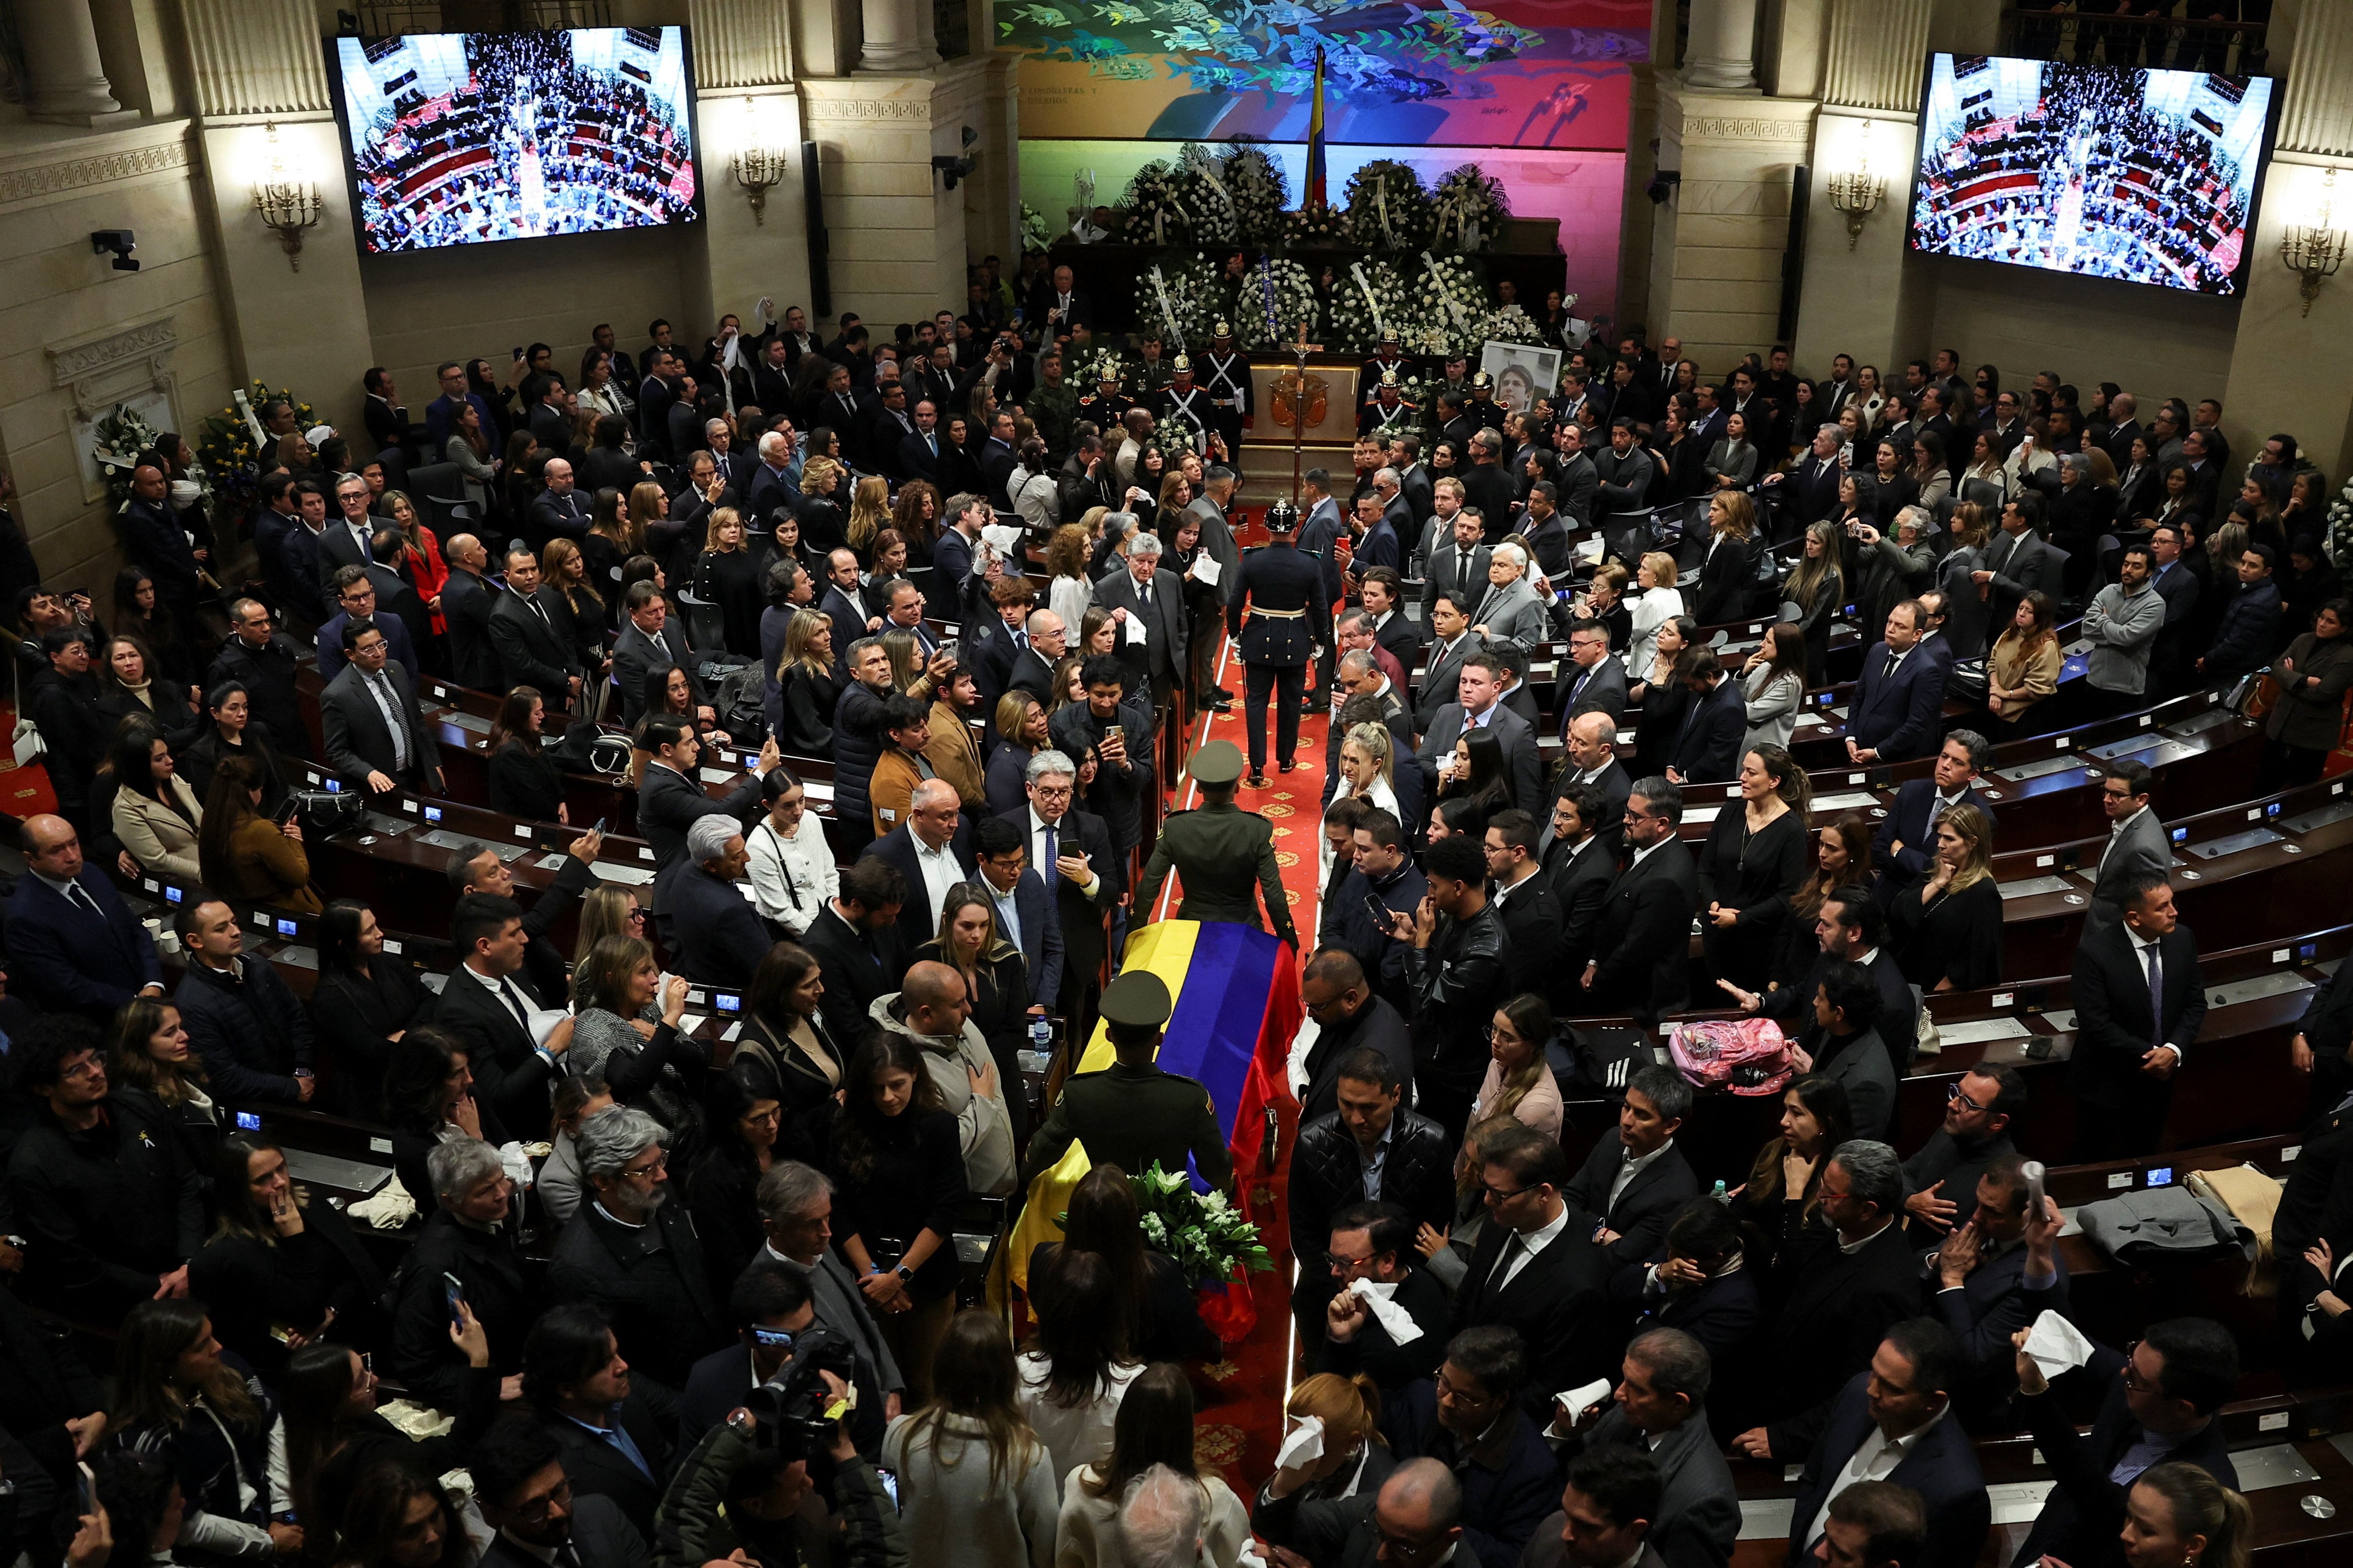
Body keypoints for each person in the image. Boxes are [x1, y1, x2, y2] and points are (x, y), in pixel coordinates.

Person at [7, 1017, 204, 1322]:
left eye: (96, 1059)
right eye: (76, 1070)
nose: (97, 1072)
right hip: (123, 1306)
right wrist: (161, 1285)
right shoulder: (34, 1164)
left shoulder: (136, 1106)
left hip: (186, 1268)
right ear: (44, 1087)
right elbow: (75, 1263)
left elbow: (187, 1181)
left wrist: (189, 1262)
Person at [1735, 1141, 1922, 1460]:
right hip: (1771, 1388)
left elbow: (1864, 1391)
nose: (1820, 1196)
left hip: (1798, 1422)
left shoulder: (1884, 1290)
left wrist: (1785, 1438)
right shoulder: (1841, 1228)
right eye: (1823, 1183)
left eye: (1831, 1194)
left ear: (1867, 1209)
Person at [2009, 1319, 2241, 1568]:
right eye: (2131, 1358)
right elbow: (2081, 1348)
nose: (2124, 1374)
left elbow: (2093, 1492)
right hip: (2045, 1542)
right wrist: (2042, 1334)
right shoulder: (2142, 1385)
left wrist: (2035, 1390)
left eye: (2135, 1378)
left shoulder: (2201, 1489)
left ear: (2181, 1408)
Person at [829, 1030, 972, 1407]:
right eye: (877, 1089)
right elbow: (838, 1208)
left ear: (914, 1074)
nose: (888, 1098)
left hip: (926, 1275)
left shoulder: (938, 1125)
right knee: (879, 1385)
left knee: (927, 1386)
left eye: (897, 1085)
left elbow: (946, 1207)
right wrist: (874, 1276)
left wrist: (899, 1276)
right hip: (868, 1279)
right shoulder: (848, 1124)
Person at [1780, 1319, 1990, 1568]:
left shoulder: (1958, 1491)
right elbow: (1814, 1479)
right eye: (1874, 1372)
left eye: (1890, 1387)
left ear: (1933, 1401)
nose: (1871, 1389)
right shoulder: (1857, 1394)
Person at [546, 1105, 725, 1391]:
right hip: (672, 1399)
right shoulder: (577, 1268)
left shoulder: (657, 1195)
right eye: (645, 1170)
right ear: (603, 1180)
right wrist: (680, 1412)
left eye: (660, 1161)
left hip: (713, 1367)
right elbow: (607, 1368)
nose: (661, 1176)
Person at [1448, 1124, 1610, 1423]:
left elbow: (1547, 1386)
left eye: (1499, 1194)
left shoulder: (1579, 1285)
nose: (1487, 1201)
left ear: (1543, 1194)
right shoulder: (1503, 1216)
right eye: (1487, 1187)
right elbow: (1467, 1300)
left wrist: (1482, 1420)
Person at [189, 1133, 387, 1377]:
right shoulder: (228, 1257)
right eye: (264, 1179)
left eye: (281, 1168)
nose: (281, 1182)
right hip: (281, 1373)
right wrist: (296, 1240)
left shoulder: (315, 1208)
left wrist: (331, 1311)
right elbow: (305, 1308)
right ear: (239, 1190)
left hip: (349, 1344)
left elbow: (358, 1273)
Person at [1543, 1329, 1738, 1568]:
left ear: (1678, 1402)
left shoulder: (1704, 1502)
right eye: (1625, 1379)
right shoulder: (1633, 1416)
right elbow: (1582, 1477)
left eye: (1637, 1388)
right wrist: (1567, 1434)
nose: (1618, 1394)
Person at [109, 1299, 287, 1561]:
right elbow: (188, 1526)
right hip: (226, 1551)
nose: (219, 1347)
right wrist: (269, 1544)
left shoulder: (227, 1368)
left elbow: (273, 1418)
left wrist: (284, 1508)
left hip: (273, 1507)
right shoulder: (145, 1443)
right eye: (202, 1346)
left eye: (211, 1336)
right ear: (165, 1366)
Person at [881, 1309, 1059, 1568]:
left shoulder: (899, 1434)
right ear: (1006, 1377)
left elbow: (889, 1521)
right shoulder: (1028, 1456)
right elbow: (1048, 1551)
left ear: (941, 1367)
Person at [1025, 968, 1232, 1186]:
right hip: (1166, 1216)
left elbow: (1037, 1156)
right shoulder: (1191, 1098)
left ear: (1109, 1036)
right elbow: (1218, 1174)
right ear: (1160, 1039)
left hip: (1103, 1212)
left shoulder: (1080, 1094)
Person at [1381, 1325, 1561, 1568]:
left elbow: (1516, 1556)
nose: (1445, 1401)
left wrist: (1434, 1528)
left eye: (1464, 1397)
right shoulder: (1419, 1401)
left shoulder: (1534, 1470)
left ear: (1499, 1401)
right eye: (1443, 1382)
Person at [1058, 1362, 1250, 1567]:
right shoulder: (1217, 1500)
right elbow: (1242, 1561)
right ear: (1187, 1431)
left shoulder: (1081, 1486)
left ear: (1123, 1422)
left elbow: (1065, 1560)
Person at [2069, 870, 2204, 1159]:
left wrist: (2173, 1050)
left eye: (2172, 902)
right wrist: (2151, 1054)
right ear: (2134, 918)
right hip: (2107, 1084)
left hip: (2159, 1083)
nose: (2174, 913)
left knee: (2145, 1156)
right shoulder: (2095, 953)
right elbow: (2096, 1024)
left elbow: (2195, 1004)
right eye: (2162, 908)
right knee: (2097, 1161)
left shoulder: (2183, 940)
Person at [1927, 1155, 2070, 1424]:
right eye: (1979, 1203)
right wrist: (1938, 1261)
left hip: (1967, 1403)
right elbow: (1931, 1254)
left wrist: (1952, 1278)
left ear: (2029, 1217)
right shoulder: (1990, 1215)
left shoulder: (2035, 1282)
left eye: (1992, 1212)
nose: (1977, 1217)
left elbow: (1974, 1360)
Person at [518, 1305, 677, 1541]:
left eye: (617, 1354)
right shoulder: (559, 1464)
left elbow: (667, 1466)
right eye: (605, 1364)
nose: (623, 1366)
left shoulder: (626, 1403)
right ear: (566, 1388)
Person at [1394, 834, 1513, 1137]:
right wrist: (1416, 939)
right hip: (1434, 1053)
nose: (1429, 893)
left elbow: (1427, 1005)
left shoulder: (1486, 950)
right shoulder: (1457, 916)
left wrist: (1420, 944)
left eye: (1434, 885)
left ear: (1458, 887)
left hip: (1453, 1072)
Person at [1133, 739, 1296, 942]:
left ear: (1199, 788)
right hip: (1243, 931)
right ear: (1237, 787)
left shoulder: (1176, 828)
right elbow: (1274, 896)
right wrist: (1289, 941)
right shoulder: (1258, 830)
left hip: (1190, 932)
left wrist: (1133, 934)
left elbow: (1148, 888)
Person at [172, 896, 315, 1105]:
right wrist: (291, 1088)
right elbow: (226, 1076)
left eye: (234, 922)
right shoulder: (192, 1003)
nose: (236, 932)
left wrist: (302, 1071)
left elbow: (296, 1017)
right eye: (221, 929)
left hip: (299, 1082)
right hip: (260, 1106)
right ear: (195, 941)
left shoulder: (257, 965)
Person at [1018, 1248, 1145, 1482]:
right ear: (1113, 1318)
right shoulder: (1136, 1385)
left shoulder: (1022, 1373)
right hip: (1101, 1514)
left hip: (1034, 1510)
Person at [1583, 778, 1702, 1024]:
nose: (1626, 820)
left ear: (1662, 824)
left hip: (1640, 1002)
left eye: (1635, 816)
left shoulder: (1666, 878)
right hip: (1619, 981)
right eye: (1628, 811)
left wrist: (1598, 978)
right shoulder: (1647, 848)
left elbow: (1637, 951)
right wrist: (1594, 960)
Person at [1561, 1064, 1700, 1267]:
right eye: (1627, 1107)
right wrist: (1600, 1233)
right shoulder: (1612, 1140)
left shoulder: (1677, 1191)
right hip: (1581, 1253)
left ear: (1670, 1125)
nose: (1626, 1121)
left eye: (1642, 1115)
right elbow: (1570, 1198)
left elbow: (1623, 1257)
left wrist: (1584, 1227)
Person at [468, 1418, 656, 1568]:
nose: (559, 1512)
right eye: (534, 1507)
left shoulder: (602, 1514)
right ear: (493, 1514)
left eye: (559, 1490)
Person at [1697, 746, 1810, 991]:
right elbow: (1705, 869)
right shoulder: (1730, 811)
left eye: (1751, 772)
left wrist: (1740, 919)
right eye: (1743, 770)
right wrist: (1714, 906)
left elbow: (1788, 896)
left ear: (1774, 781)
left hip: (1758, 943)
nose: (1742, 777)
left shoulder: (1792, 830)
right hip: (1717, 933)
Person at [308, 899, 427, 1121]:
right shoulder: (331, 996)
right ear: (344, 943)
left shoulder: (385, 962)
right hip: (371, 1097)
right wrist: (419, 1034)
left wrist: (406, 1034)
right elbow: (375, 1054)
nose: (380, 934)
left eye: (376, 926)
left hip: (409, 1078)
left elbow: (430, 1001)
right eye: (370, 931)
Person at [1871, 733, 1999, 902]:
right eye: (1944, 756)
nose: (1946, 766)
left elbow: (1953, 875)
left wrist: (1900, 852)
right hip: (1887, 898)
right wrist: (1925, 866)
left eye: (1957, 762)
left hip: (1932, 905)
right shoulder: (1911, 791)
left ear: (1973, 775)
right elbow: (1879, 850)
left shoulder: (1980, 817)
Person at [322, 620, 444, 795]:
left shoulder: (396, 669)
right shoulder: (337, 695)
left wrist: (433, 763)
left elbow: (417, 721)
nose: (379, 653)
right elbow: (336, 751)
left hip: (412, 776)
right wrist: (368, 773)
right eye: (368, 649)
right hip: (378, 787)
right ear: (351, 654)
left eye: (380, 644)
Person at [1888, 804, 2001, 992]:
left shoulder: (1984, 892)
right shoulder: (1934, 868)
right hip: (1904, 976)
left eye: (1949, 839)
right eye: (1940, 836)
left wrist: (1935, 995)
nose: (1940, 844)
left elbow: (1977, 959)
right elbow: (1898, 912)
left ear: (1973, 842)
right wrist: (1938, 883)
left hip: (1934, 989)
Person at [197, 754, 320, 913]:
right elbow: (300, 878)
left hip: (237, 912)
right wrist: (293, 840)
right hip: (285, 912)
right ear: (250, 792)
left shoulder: (212, 825)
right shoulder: (260, 831)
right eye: (260, 790)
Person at [2261, 597, 2353, 790]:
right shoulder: (2304, 639)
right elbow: (2276, 669)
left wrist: (2290, 679)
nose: (2322, 624)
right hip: (2280, 724)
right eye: (2322, 618)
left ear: (2344, 628)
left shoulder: (2347, 657)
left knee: (2301, 790)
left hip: (2312, 735)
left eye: (2331, 621)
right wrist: (2304, 680)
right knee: (2265, 783)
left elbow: (2322, 693)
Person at [1848, 601, 1946, 764]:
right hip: (1859, 749)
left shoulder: (1927, 670)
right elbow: (1859, 697)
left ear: (1917, 634)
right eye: (1890, 622)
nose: (1891, 629)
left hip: (1894, 759)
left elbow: (1917, 725)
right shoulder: (1878, 651)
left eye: (1901, 626)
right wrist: (1850, 737)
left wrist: (1878, 752)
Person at [2087, 759, 2169, 934]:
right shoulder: (2130, 822)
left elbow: (2148, 910)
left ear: (2141, 799)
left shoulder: (2143, 848)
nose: (2107, 800)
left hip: (2116, 940)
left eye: (2117, 795)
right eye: (2106, 791)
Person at [484, 686, 565, 823]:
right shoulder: (510, 753)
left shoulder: (528, 737)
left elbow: (549, 770)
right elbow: (533, 799)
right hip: (522, 825)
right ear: (521, 716)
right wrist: (557, 820)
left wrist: (561, 801)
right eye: (537, 713)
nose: (542, 716)